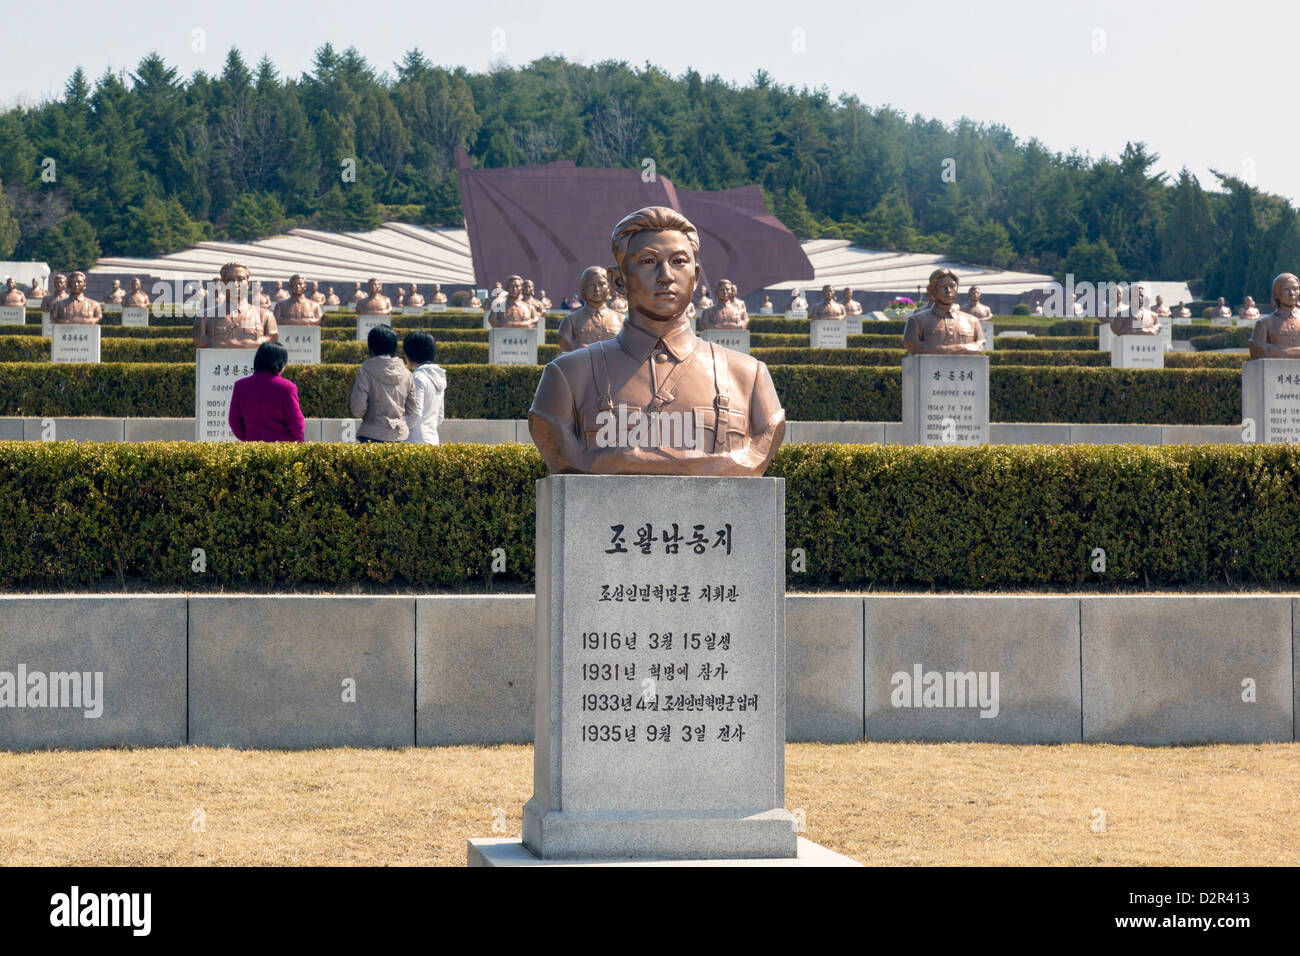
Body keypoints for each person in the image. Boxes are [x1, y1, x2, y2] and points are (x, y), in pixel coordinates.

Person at [528, 205, 785, 476]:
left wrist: (623, 463)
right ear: (617, 280)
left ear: (696, 277)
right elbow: (562, 452)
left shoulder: (749, 377)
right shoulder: (567, 377)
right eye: (648, 261)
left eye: (678, 261)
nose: (666, 275)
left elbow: (760, 447)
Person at [228, 341, 305, 442]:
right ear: (280, 364)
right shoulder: (287, 388)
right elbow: (296, 424)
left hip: (252, 448)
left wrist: (248, 438)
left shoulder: (240, 386)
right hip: (282, 449)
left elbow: (234, 421)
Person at [350, 324, 417, 442]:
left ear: (371, 347)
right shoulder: (407, 373)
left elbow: (357, 409)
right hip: (399, 435)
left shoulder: (365, 370)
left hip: (371, 434)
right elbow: (412, 408)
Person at [403, 331, 446, 444]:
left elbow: (415, 414)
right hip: (433, 439)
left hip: (415, 442)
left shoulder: (418, 377)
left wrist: (398, 428)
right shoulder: (439, 376)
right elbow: (440, 416)